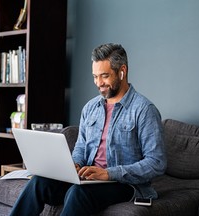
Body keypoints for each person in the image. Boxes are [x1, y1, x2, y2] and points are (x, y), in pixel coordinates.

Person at [10, 43, 167, 216]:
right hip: (89, 180)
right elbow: (81, 148)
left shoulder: (144, 110)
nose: (99, 83)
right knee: (39, 182)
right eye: (95, 76)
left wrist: (108, 174)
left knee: (78, 193)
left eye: (105, 76)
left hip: (124, 184)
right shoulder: (90, 108)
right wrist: (75, 165)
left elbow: (156, 163)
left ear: (122, 71)